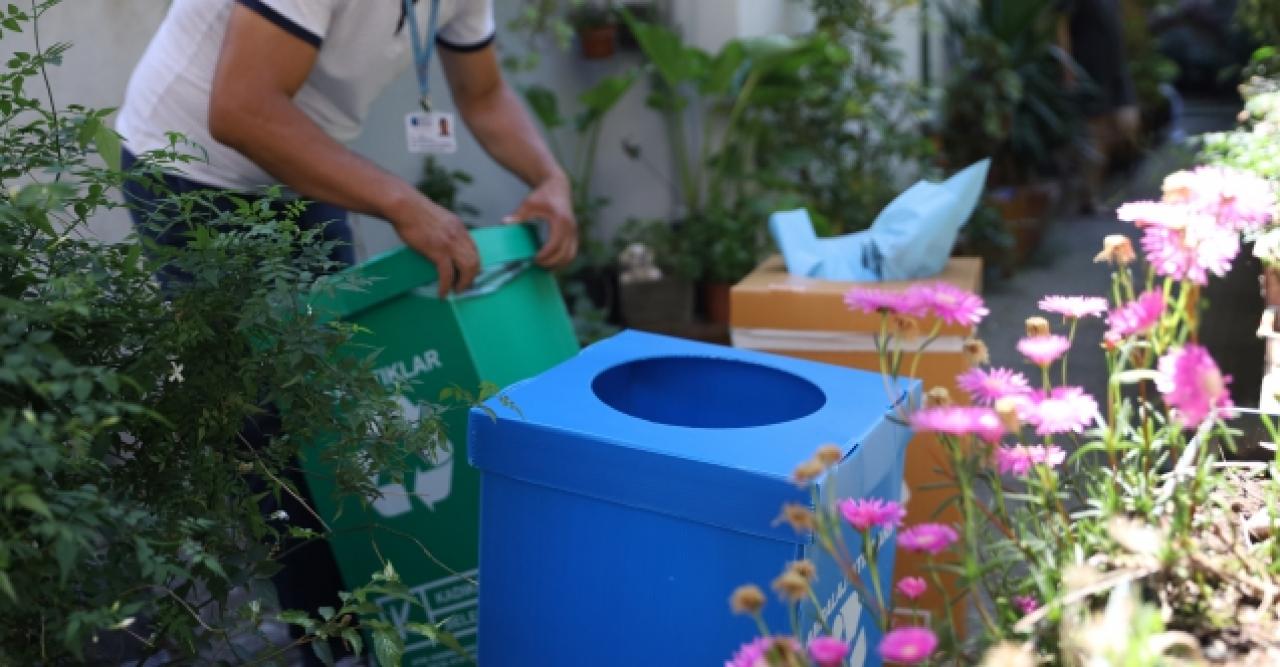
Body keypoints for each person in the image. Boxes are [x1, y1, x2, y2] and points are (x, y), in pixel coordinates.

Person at [115, 1, 576, 662]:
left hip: (297, 157)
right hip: (192, 169)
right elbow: (241, 107)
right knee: (273, 431)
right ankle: (325, 644)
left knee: (345, 406)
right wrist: (400, 201)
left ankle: (383, 621)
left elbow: (485, 91)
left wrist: (551, 179)